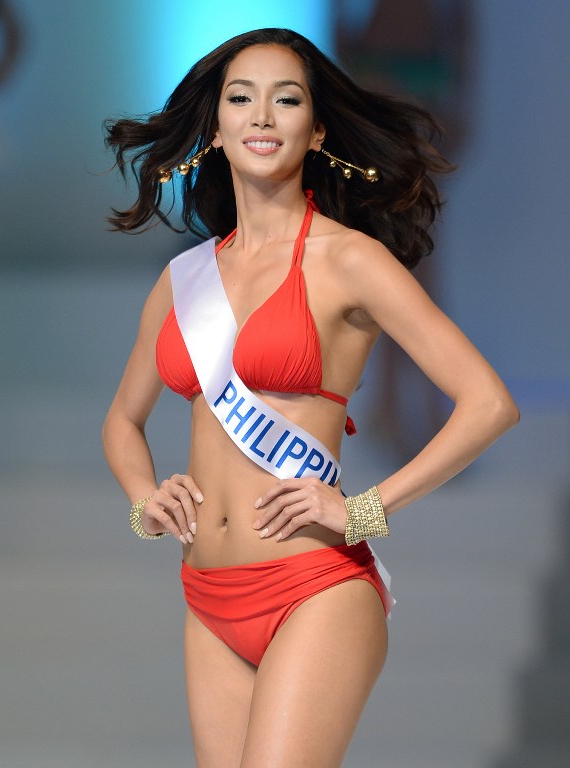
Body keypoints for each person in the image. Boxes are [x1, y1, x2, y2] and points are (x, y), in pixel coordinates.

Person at [102, 28, 519, 768]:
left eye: (286, 99)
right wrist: (143, 500)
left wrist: (367, 509)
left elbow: (488, 403)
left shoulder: (351, 259)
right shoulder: (183, 279)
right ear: (217, 127)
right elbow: (122, 421)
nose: (262, 116)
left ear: (316, 128)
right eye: (242, 98)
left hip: (315, 587)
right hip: (208, 595)